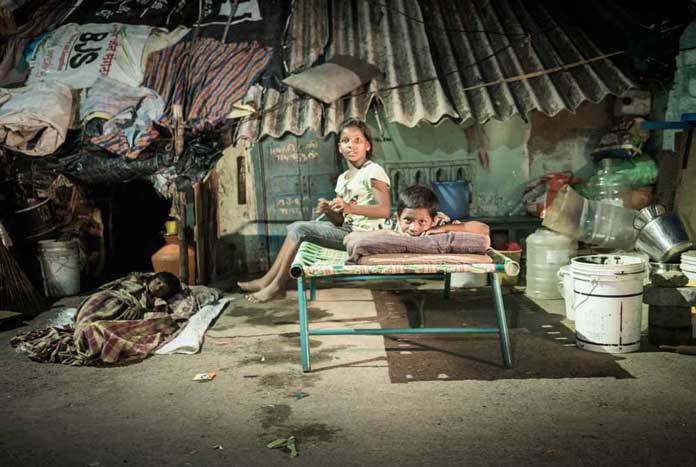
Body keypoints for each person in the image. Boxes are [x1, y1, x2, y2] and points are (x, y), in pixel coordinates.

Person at [238, 119, 391, 302]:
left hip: (365, 237)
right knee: (296, 226)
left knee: (300, 229)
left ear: (367, 145)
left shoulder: (373, 171)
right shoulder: (343, 178)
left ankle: (277, 285)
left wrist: (349, 207)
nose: (351, 145)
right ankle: (268, 281)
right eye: (345, 141)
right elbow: (341, 222)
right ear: (339, 148)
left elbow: (384, 210)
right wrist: (328, 211)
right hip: (349, 231)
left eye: (357, 140)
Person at [347, 185, 489, 243]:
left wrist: (442, 229)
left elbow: (483, 229)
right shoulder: (389, 225)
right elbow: (356, 236)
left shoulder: (439, 224)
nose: (414, 228)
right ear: (397, 217)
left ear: (433, 221)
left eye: (422, 222)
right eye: (408, 220)